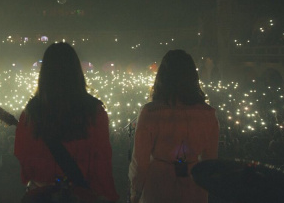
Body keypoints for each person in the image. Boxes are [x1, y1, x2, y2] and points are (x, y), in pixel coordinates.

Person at [14, 42, 119, 202]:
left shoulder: (31, 113)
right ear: (77, 72)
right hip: (81, 196)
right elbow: (102, 164)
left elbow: (24, 161)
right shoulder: (94, 112)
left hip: (41, 195)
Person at [128, 49, 219, 203]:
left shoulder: (151, 112)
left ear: (162, 78)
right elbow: (210, 161)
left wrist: (135, 193)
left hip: (158, 188)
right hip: (193, 187)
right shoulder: (207, 114)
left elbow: (140, 163)